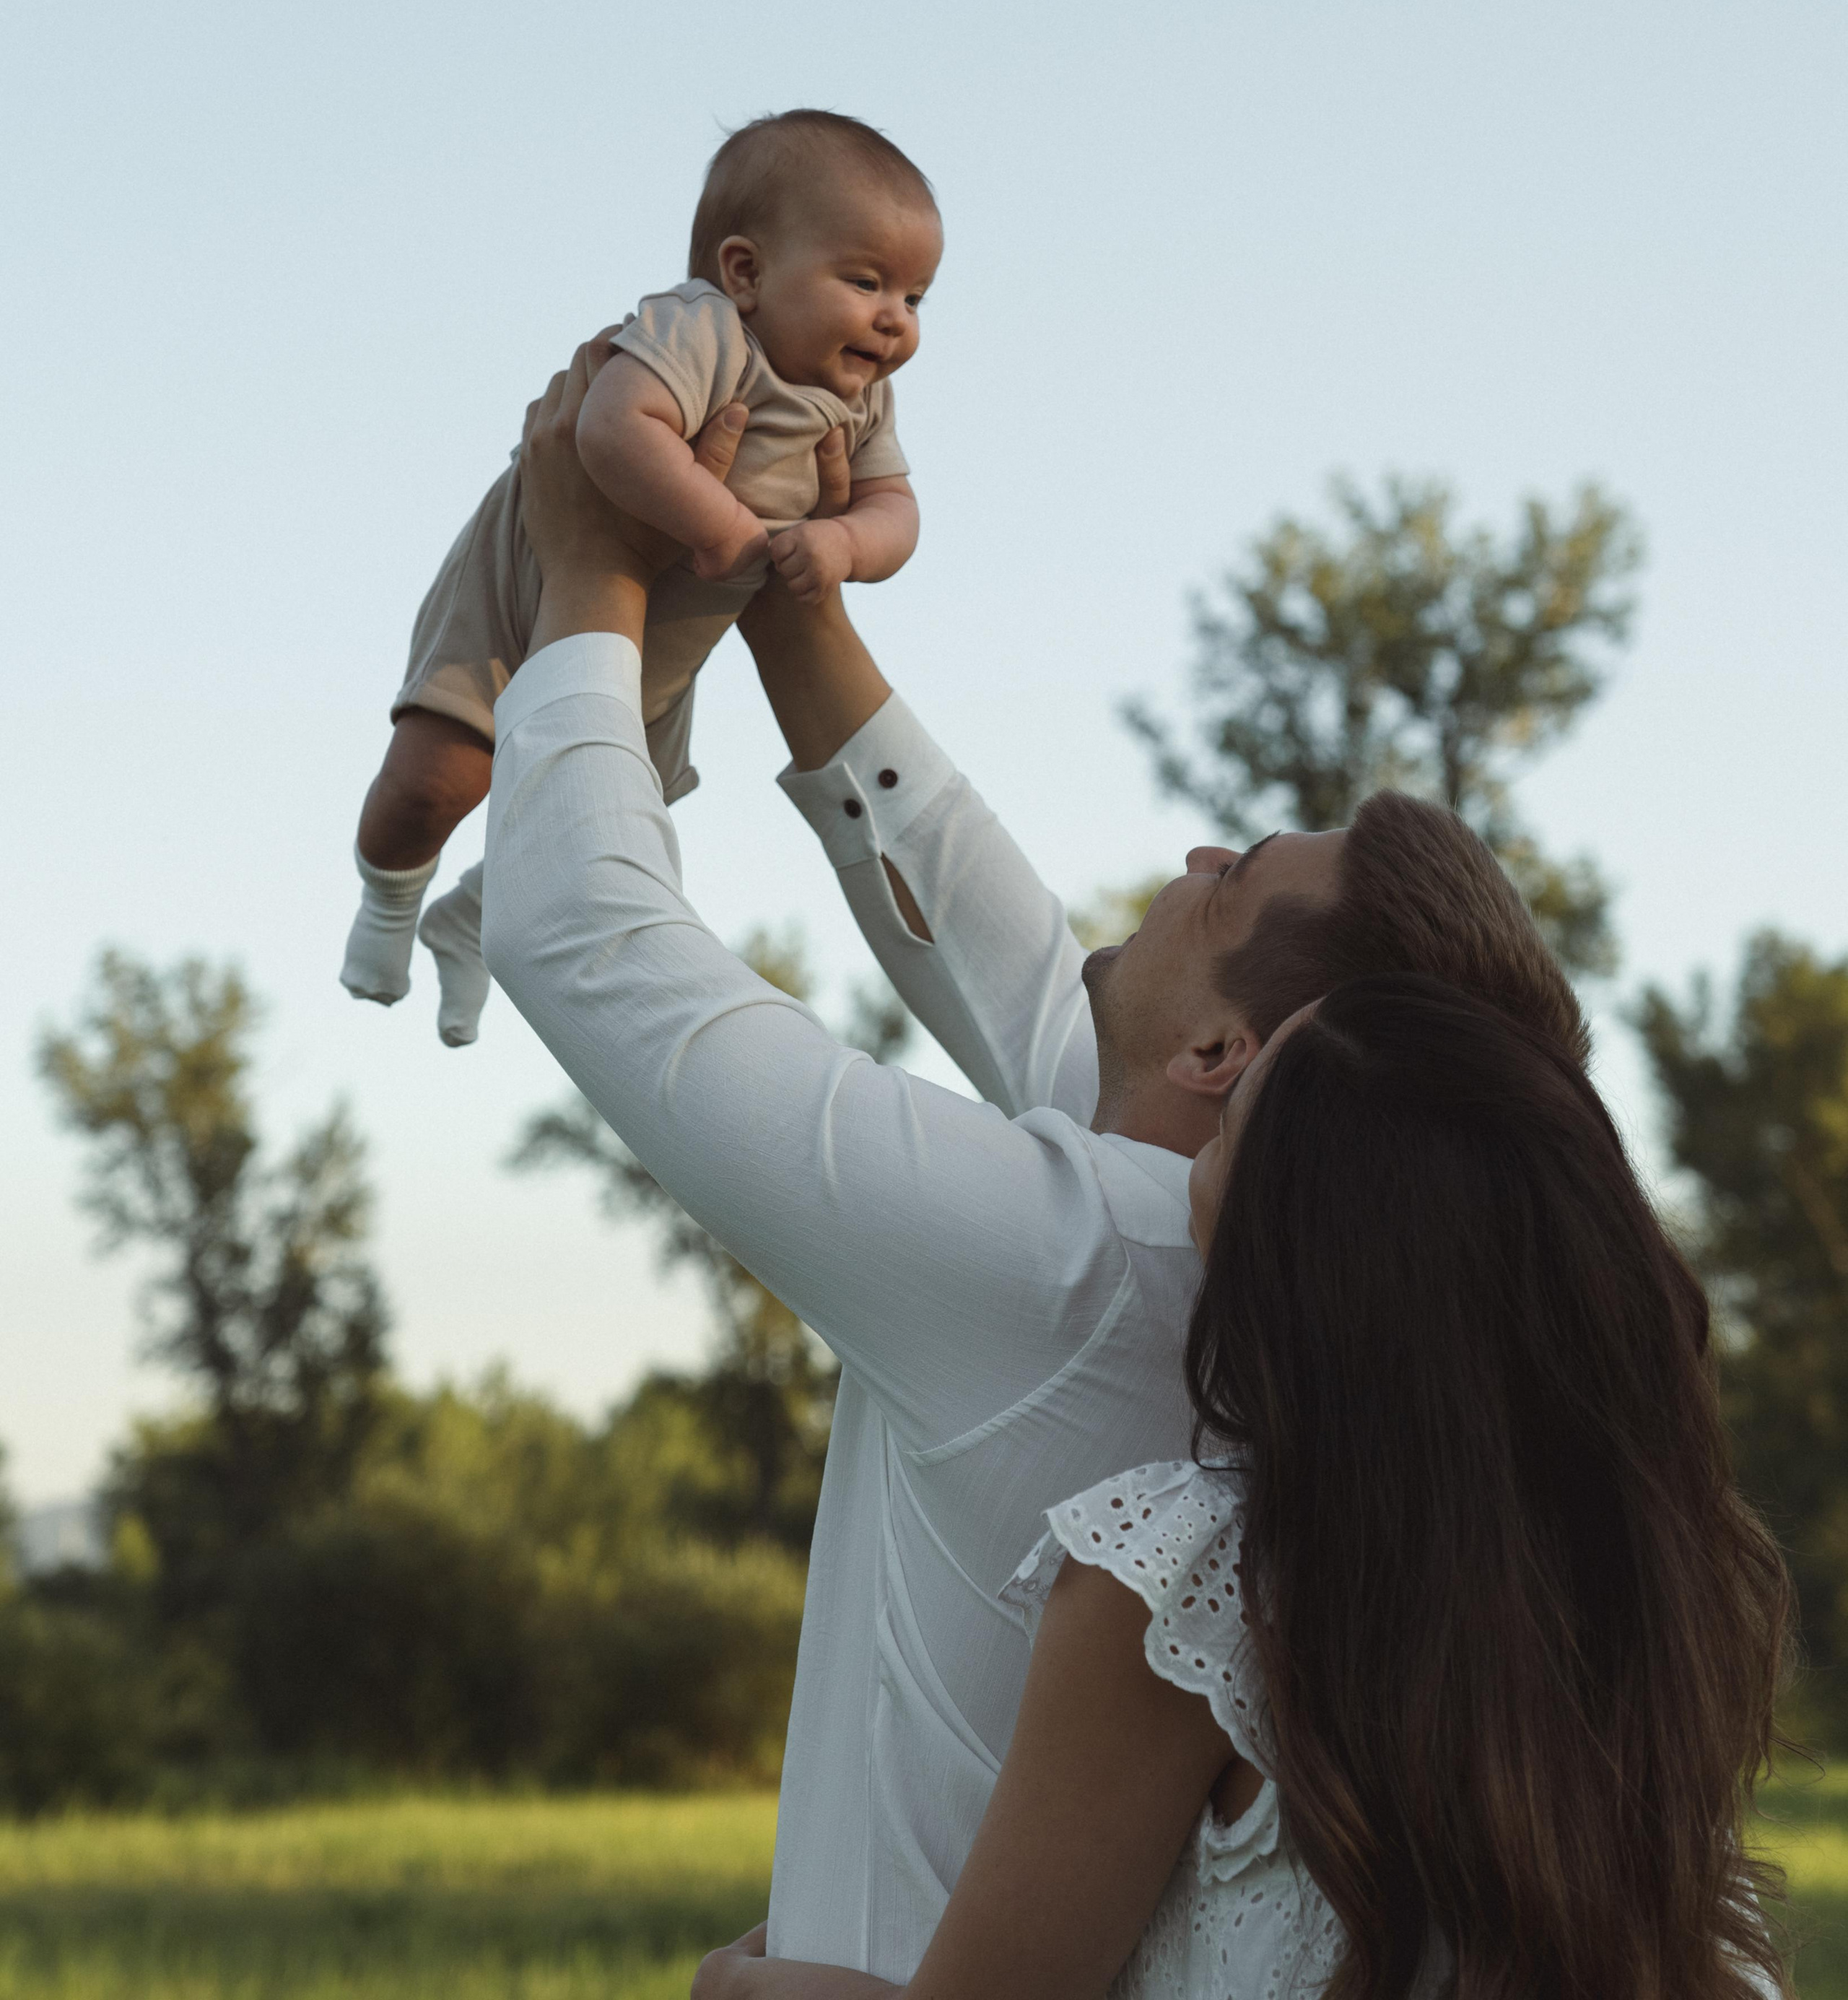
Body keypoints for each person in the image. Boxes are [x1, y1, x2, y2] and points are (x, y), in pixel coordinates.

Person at [480, 339, 1596, 1983]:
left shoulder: (1069, 1260)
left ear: (1229, 1063)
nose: (1198, 850)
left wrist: (582, 575)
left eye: (1230, 883)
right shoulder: (1236, 1238)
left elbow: (587, 938)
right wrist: (795, 595)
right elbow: (1001, 947)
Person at [692, 975, 1792, 2000]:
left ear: (1298, 1251)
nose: (1193, 1150)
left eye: (1225, 1129)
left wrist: (743, 1988)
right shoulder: (1652, 1586)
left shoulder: (1193, 1579)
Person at [340, 109, 938, 1043]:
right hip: (536, 581)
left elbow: (896, 510)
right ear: (745, 272)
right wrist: (735, 529)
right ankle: (389, 901)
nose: (894, 318)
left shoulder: (862, 401)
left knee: (594, 830)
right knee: (440, 777)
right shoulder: (703, 330)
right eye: (866, 282)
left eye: (916, 296)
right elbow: (617, 428)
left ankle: (471, 921)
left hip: (662, 641)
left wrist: (845, 545)